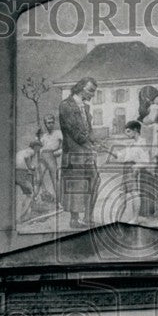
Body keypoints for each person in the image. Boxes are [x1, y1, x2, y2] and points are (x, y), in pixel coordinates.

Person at [59, 76, 100, 228]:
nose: (92, 94)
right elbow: (74, 132)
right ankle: (75, 220)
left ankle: (88, 218)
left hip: (86, 152)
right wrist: (90, 145)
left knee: (95, 181)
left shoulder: (86, 107)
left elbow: (88, 130)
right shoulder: (66, 105)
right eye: (90, 90)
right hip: (73, 153)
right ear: (80, 87)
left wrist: (96, 142)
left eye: (94, 91)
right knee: (76, 185)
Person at [137, 86, 158, 218]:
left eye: (147, 97)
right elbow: (145, 121)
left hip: (157, 144)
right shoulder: (152, 106)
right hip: (149, 144)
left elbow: (150, 120)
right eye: (144, 98)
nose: (147, 100)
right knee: (147, 176)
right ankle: (147, 209)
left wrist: (143, 121)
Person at [117, 120, 151, 222]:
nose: (126, 134)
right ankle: (117, 220)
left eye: (128, 131)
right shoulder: (132, 143)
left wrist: (136, 167)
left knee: (134, 193)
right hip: (126, 169)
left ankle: (135, 218)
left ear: (135, 130)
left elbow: (146, 161)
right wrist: (106, 150)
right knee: (122, 194)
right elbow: (122, 156)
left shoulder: (142, 143)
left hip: (133, 169)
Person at [37, 113, 63, 205]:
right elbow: (39, 146)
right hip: (42, 156)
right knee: (38, 178)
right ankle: (35, 200)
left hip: (51, 156)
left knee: (55, 179)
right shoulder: (44, 136)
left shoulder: (58, 133)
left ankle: (60, 202)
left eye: (52, 122)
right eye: (48, 123)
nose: (50, 124)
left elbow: (65, 146)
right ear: (45, 124)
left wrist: (58, 152)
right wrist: (37, 137)